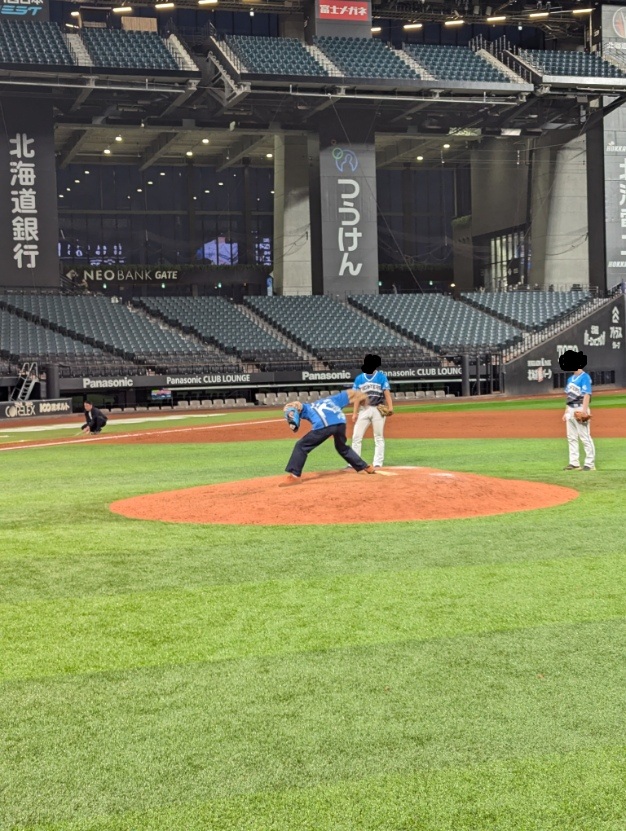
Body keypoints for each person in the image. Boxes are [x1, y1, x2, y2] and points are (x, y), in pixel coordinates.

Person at [283, 389, 376, 481]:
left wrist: (291, 411)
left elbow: (297, 405)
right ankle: (365, 466)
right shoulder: (332, 399)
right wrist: (364, 401)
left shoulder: (306, 407)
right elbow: (353, 393)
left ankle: (294, 476)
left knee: (301, 446)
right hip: (340, 423)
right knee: (342, 448)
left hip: (324, 425)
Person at [350, 353, 393, 468]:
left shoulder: (381, 377)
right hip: (364, 410)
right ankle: (354, 462)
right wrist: (354, 413)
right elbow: (357, 397)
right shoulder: (359, 378)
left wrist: (390, 407)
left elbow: (387, 393)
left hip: (378, 410)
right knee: (356, 436)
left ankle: (378, 463)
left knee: (378, 436)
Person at [560, 350, 595, 471]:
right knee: (571, 437)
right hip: (571, 409)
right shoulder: (570, 379)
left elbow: (587, 394)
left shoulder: (585, 377)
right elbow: (569, 396)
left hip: (581, 408)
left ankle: (589, 464)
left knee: (585, 437)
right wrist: (566, 411)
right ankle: (574, 463)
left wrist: (584, 411)